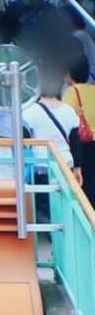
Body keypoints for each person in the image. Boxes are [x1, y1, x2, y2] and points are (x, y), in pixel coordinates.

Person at [23, 70, 82, 220]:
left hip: (41, 165)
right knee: (62, 204)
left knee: (42, 207)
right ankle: (63, 235)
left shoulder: (30, 111)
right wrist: (78, 168)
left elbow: (24, 140)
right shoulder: (69, 110)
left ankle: (54, 238)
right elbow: (76, 142)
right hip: (64, 164)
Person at [64, 55, 95, 204]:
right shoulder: (93, 89)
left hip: (84, 144)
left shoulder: (72, 92)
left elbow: (67, 118)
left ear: (69, 73)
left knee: (86, 183)